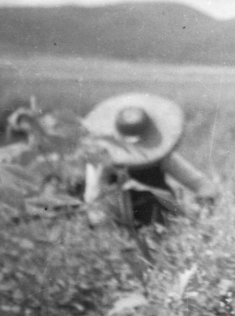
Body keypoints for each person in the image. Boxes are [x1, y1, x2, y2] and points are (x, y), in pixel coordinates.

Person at [82, 93, 218, 228]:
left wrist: (201, 209)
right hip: (119, 217)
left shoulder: (160, 155)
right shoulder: (103, 159)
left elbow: (201, 184)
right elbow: (94, 197)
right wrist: (104, 228)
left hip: (158, 218)